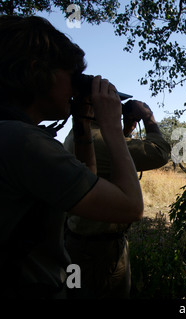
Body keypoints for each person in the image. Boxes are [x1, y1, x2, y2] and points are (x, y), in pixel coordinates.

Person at [0, 15, 144, 298]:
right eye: (72, 77)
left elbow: (84, 182)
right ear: (38, 72)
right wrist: (112, 128)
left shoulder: (11, 134)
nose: (75, 89)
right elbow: (130, 207)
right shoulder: (25, 142)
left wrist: (83, 122)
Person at [63, 100, 171, 299]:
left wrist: (126, 130)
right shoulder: (99, 138)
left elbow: (111, 157)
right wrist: (148, 116)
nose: (116, 107)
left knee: (75, 293)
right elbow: (159, 152)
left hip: (75, 243)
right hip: (102, 253)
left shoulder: (76, 136)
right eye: (111, 102)